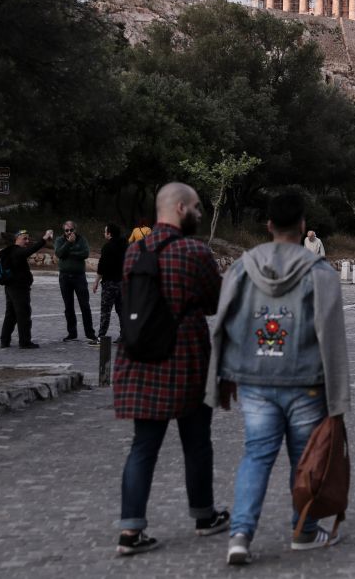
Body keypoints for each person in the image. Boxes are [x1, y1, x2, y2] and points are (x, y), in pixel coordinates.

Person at [205, 191, 350, 565]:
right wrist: (338, 402)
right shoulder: (320, 273)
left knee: (255, 456)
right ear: (303, 227)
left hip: (255, 381)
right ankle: (303, 529)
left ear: (268, 226)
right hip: (307, 382)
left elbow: (225, 325)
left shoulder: (241, 267)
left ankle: (240, 535)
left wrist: (223, 377)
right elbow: (331, 338)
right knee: (304, 459)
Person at [113, 182, 228, 556]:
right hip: (185, 361)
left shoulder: (135, 251)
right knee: (196, 443)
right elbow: (214, 303)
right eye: (196, 207)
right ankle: (204, 515)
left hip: (139, 357)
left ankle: (130, 530)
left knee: (142, 446)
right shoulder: (195, 251)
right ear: (180, 208)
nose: (199, 213)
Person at [0, 228, 54, 349]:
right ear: (17, 239)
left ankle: (4, 340)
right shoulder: (17, 252)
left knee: (11, 314)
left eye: (28, 238)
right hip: (18, 288)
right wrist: (44, 239)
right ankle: (24, 342)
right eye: (25, 238)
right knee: (23, 314)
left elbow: (28, 249)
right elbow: (31, 250)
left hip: (11, 287)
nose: (27, 241)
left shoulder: (11, 251)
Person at [54, 220, 97, 342]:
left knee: (85, 305)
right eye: (66, 230)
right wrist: (68, 243)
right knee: (68, 306)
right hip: (65, 277)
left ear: (75, 230)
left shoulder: (82, 239)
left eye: (71, 230)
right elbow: (59, 253)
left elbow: (85, 253)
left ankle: (90, 333)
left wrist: (69, 253)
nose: (68, 232)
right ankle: (72, 333)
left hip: (79, 276)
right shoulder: (60, 240)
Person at [89, 223, 128, 346]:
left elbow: (102, 266)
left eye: (105, 231)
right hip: (123, 282)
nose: (104, 233)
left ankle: (101, 336)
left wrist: (96, 281)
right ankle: (124, 335)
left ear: (109, 233)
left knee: (106, 311)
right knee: (122, 310)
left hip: (110, 283)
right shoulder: (125, 245)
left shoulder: (107, 247)